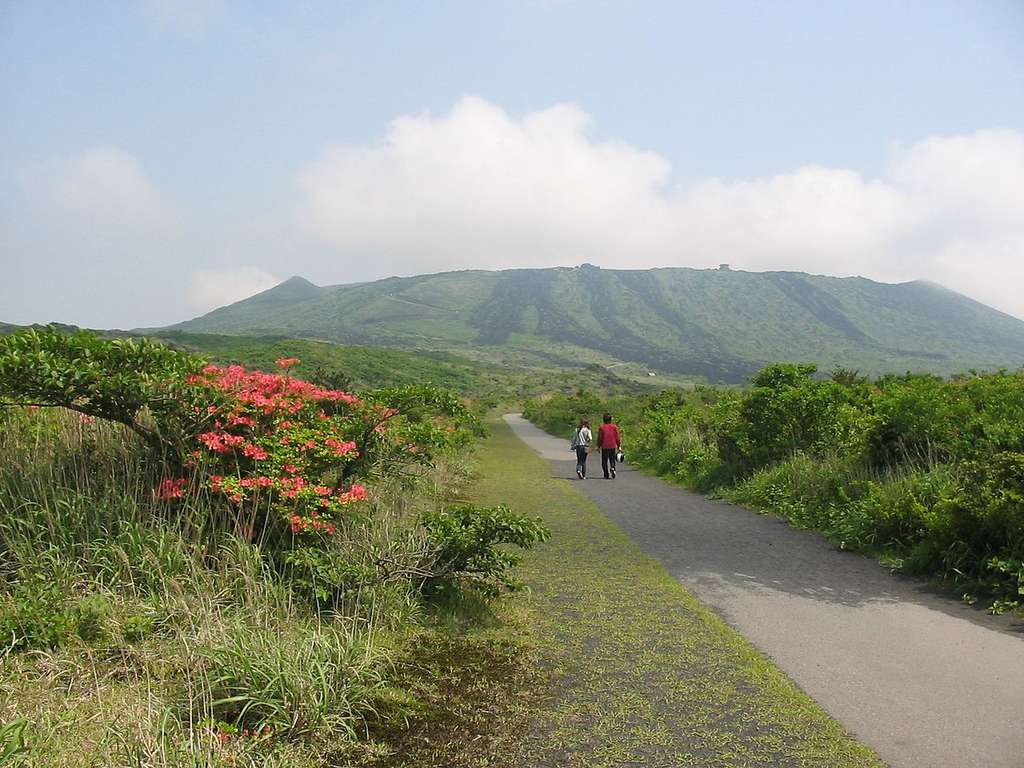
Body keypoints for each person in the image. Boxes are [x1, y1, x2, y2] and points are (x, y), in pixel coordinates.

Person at [597, 413, 621, 479]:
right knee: (612, 459)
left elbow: (600, 438)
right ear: (611, 419)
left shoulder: (602, 427)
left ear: (603, 420)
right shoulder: (615, 427)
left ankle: (606, 474)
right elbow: (617, 437)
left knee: (604, 461)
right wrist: (619, 445)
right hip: (613, 445)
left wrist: (598, 446)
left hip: (604, 446)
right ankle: (612, 467)